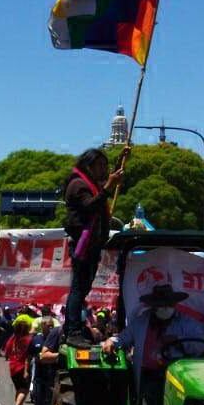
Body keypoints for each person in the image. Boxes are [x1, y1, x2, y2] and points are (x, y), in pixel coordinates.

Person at [105, 284, 204, 405]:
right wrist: (112, 341)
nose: (165, 308)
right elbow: (124, 337)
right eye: (161, 304)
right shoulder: (141, 321)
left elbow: (202, 346)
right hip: (150, 374)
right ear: (154, 306)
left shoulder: (187, 323)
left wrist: (179, 341)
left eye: (168, 304)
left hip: (177, 376)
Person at [62, 147, 125, 347]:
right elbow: (90, 206)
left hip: (93, 244)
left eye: (106, 166)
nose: (104, 170)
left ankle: (72, 328)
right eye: (101, 166)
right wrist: (108, 187)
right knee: (78, 289)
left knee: (83, 288)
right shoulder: (78, 185)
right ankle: (73, 331)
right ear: (89, 166)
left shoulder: (91, 184)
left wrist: (121, 162)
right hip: (83, 243)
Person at [31, 318, 63, 405]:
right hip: (39, 373)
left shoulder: (55, 337)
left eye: (51, 325)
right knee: (38, 398)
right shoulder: (36, 339)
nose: (50, 327)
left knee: (49, 400)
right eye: (48, 325)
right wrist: (27, 371)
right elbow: (30, 356)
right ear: (42, 326)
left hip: (51, 374)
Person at [3, 317, 33, 405]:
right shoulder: (29, 339)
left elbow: (6, 351)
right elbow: (30, 355)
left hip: (13, 367)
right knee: (24, 390)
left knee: (19, 390)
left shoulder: (13, 338)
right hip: (23, 367)